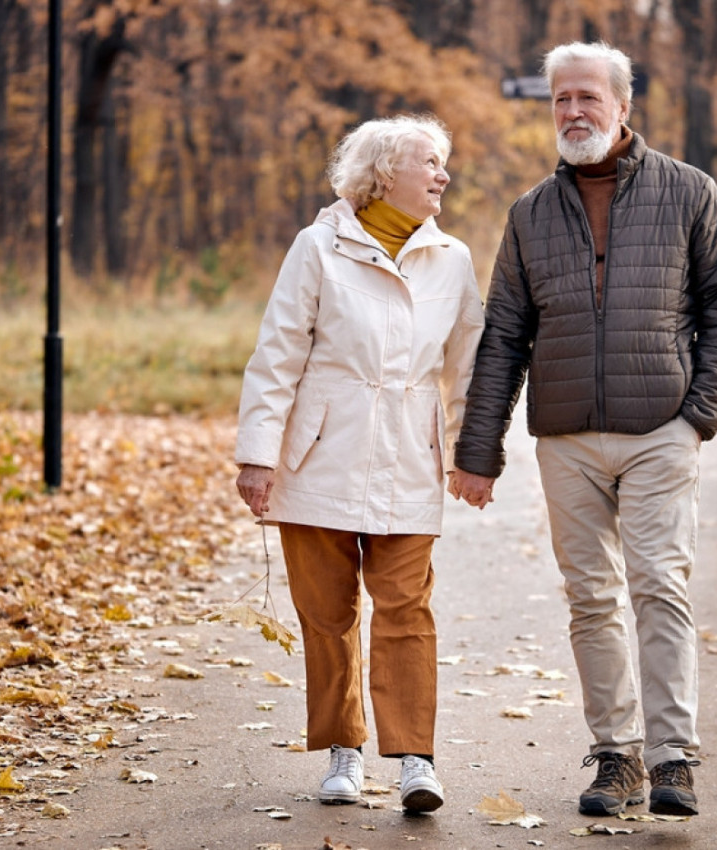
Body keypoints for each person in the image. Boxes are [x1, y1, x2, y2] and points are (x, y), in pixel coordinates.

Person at [452, 41, 717, 819]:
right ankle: (615, 756)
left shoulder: (688, 191)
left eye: (588, 97)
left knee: (658, 585)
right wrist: (477, 450)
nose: (573, 111)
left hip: (661, 428)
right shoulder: (528, 213)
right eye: (560, 99)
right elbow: (504, 336)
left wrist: (698, 416)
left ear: (623, 106)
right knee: (589, 598)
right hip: (566, 439)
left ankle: (673, 759)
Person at [234, 114, 484, 814]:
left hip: (409, 452)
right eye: (429, 162)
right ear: (382, 173)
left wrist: (472, 456)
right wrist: (257, 455)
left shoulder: (452, 258)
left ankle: (414, 759)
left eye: (443, 162)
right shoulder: (317, 247)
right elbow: (277, 353)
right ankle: (343, 751)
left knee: (407, 607)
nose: (442, 174)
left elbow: (469, 367)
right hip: (317, 455)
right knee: (326, 612)